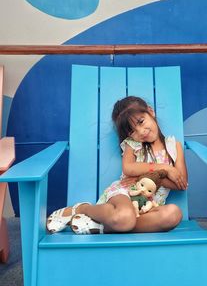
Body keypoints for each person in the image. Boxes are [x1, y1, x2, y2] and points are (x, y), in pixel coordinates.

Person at [47, 96, 188, 234]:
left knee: (173, 214)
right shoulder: (133, 144)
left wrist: (154, 177)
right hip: (125, 194)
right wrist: (166, 169)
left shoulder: (174, 146)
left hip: (148, 207)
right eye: (132, 131)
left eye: (141, 121)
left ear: (150, 112)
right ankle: (82, 209)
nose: (140, 131)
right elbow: (129, 168)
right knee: (125, 216)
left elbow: (181, 184)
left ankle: (102, 226)